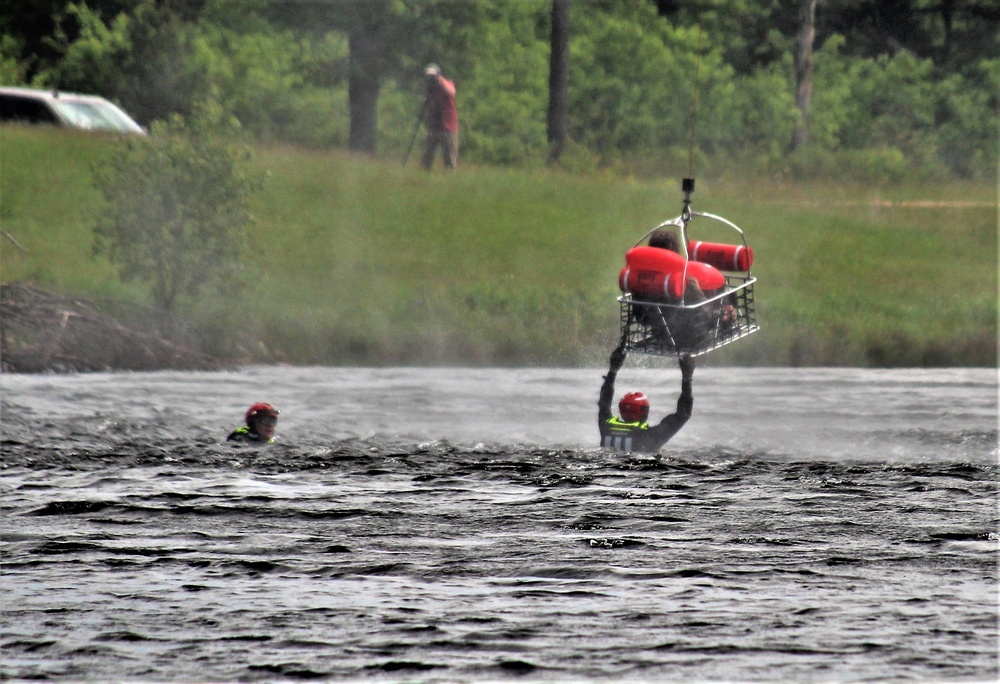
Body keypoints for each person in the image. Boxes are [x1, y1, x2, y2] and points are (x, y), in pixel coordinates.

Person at [598, 342, 695, 453]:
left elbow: (604, 401)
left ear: (621, 410)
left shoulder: (606, 427)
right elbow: (683, 414)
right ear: (645, 412)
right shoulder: (651, 436)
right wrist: (687, 377)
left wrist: (613, 370)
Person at [420, 64, 458, 170]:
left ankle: (449, 178)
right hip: (434, 126)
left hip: (448, 126)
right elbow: (426, 105)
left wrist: (441, 81)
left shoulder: (446, 84)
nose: (431, 79)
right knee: (427, 155)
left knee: (449, 157)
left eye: (433, 76)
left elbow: (452, 92)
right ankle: (424, 174)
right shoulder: (430, 89)